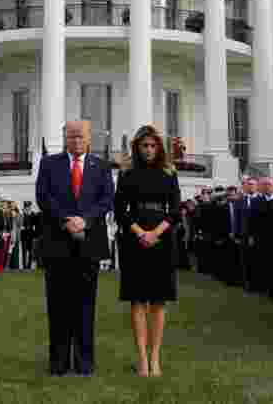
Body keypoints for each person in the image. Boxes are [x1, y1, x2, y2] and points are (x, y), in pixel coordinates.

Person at [36, 120, 115, 376]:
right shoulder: (50, 163)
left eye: (81, 137)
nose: (76, 141)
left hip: (89, 244)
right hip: (57, 243)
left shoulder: (101, 166)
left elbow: (107, 199)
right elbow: (43, 196)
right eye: (71, 137)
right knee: (58, 305)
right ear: (65, 138)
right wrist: (66, 220)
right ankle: (58, 362)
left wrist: (86, 220)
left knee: (85, 305)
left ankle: (84, 362)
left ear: (89, 138)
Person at [114, 124, 181, 377]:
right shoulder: (127, 173)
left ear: (159, 147)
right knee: (138, 300)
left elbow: (175, 209)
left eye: (153, 145)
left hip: (163, 239)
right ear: (137, 147)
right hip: (134, 239)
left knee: (158, 301)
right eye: (144, 145)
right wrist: (140, 232)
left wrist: (156, 232)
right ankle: (142, 359)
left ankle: (155, 358)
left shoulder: (169, 172)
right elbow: (120, 209)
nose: (149, 150)